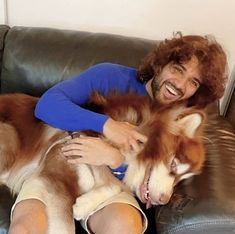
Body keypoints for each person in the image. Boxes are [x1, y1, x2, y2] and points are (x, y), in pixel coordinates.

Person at [9, 33, 228, 234]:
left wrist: (115, 159)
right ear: (161, 64)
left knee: (123, 225)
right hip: (62, 162)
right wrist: (107, 126)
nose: (180, 85)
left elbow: (159, 175)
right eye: (177, 69)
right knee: (25, 227)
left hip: (114, 188)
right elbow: (47, 105)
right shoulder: (110, 75)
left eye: (193, 82)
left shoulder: (181, 122)